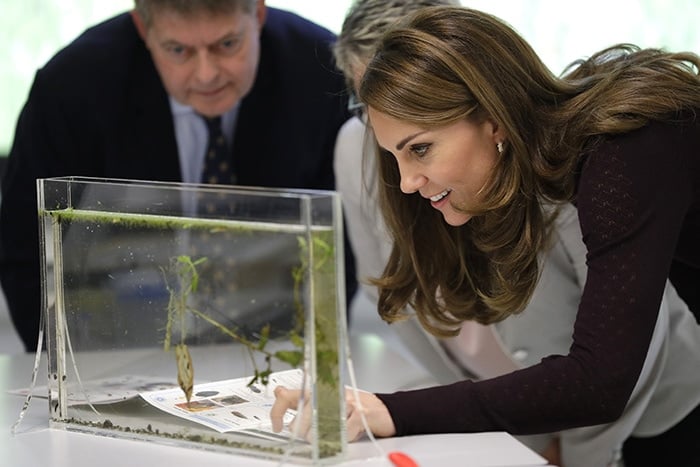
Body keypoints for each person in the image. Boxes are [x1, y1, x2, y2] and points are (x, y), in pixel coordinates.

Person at [273, 6, 700, 466]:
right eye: (397, 156)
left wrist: (391, 409)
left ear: (493, 117)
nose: (407, 183)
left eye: (420, 149)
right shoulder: (558, 162)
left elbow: (599, 381)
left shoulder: (621, 152)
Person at [0, 0, 356, 352]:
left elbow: (345, 238)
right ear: (143, 29)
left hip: (278, 346)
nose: (206, 74)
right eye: (178, 50)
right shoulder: (72, 87)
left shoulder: (323, 71)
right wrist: (74, 373)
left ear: (258, 15)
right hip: (117, 345)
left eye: (227, 44)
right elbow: (27, 250)